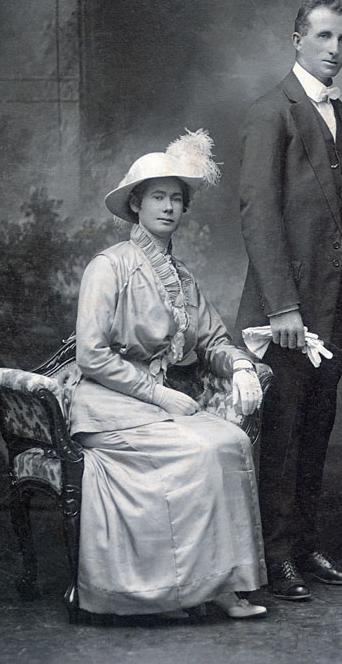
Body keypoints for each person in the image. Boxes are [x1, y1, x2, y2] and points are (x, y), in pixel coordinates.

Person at [69, 130, 267, 619]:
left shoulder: (183, 280)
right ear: (136, 204)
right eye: (158, 196)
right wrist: (158, 395)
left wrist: (240, 363)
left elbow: (212, 342)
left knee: (230, 443)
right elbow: (90, 355)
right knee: (202, 448)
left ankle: (219, 585)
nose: (169, 207)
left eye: (177, 199)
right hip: (106, 404)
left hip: (155, 404)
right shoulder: (108, 267)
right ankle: (156, 592)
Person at [235, 0, 342, 601]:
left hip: (334, 303)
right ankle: (275, 555)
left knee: (317, 431)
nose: (335, 50)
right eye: (324, 37)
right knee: (284, 434)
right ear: (297, 39)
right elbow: (258, 212)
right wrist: (282, 310)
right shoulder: (272, 111)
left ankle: (303, 543)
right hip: (290, 313)